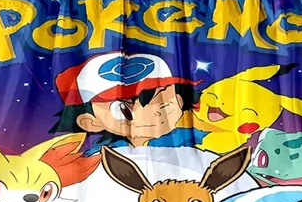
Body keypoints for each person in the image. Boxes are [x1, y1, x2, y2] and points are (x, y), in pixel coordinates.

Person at [49, 51, 205, 154]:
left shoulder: (196, 142)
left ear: (180, 99)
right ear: (90, 122)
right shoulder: (99, 156)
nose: (156, 113)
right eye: (124, 110)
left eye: (164, 103)